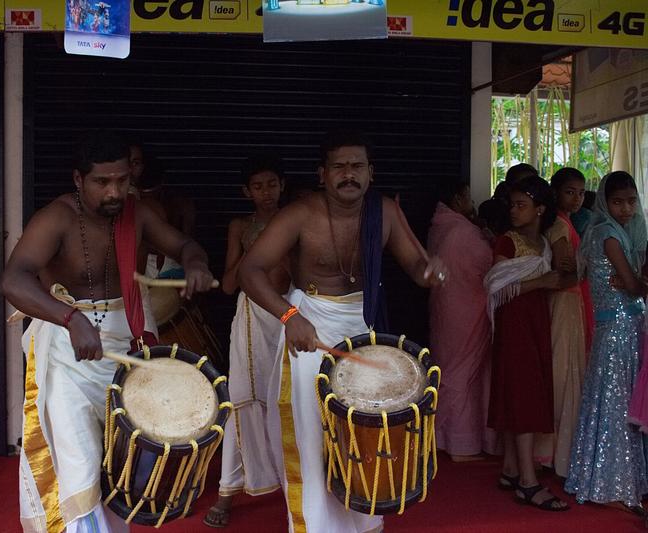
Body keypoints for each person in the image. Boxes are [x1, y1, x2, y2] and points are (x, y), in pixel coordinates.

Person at [0, 131, 215, 533]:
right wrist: (70, 319)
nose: (114, 191)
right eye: (103, 182)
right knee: (80, 464)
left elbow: (186, 245)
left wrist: (196, 263)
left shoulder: (140, 212)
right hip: (69, 355)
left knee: (125, 465)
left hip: (131, 345)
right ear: (79, 180)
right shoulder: (56, 218)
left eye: (121, 180)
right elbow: (13, 280)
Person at [239, 130, 447, 533]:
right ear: (323, 174)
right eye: (339, 167)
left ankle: (364, 524)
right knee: (311, 436)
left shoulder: (384, 212)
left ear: (371, 172)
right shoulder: (299, 213)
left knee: (363, 431)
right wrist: (288, 316)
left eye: (357, 167)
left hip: (363, 330)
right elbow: (251, 269)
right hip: (309, 329)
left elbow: (418, 270)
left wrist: (433, 271)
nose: (348, 175)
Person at [204, 155, 289, 528]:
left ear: (282, 186)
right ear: (246, 192)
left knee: (289, 402)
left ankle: (297, 487)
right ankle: (227, 492)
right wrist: (253, 253)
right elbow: (227, 284)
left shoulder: (296, 220)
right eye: (258, 186)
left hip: (290, 317)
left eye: (271, 184)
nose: (266, 193)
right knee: (241, 400)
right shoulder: (241, 226)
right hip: (252, 321)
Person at [565, 171, 648, 515]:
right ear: (605, 202)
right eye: (618, 201)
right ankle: (612, 484)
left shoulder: (616, 232)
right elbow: (632, 285)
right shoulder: (609, 236)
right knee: (618, 408)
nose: (626, 208)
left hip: (619, 329)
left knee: (614, 404)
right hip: (618, 331)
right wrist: (639, 282)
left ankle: (606, 478)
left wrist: (635, 281)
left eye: (631, 201)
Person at [484, 175, 567, 511]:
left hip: (533, 324)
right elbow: (496, 288)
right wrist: (541, 281)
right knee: (523, 396)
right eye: (513, 205)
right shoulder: (507, 241)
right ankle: (528, 483)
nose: (515, 211)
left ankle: (510, 469)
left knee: (521, 393)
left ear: (540, 209)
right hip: (515, 327)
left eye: (522, 205)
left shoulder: (544, 244)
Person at [427, 182, 494, 462]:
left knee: (447, 369)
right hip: (467, 307)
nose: (471, 200)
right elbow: (488, 266)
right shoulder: (464, 231)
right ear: (457, 198)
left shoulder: (438, 227)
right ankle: (462, 445)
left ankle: (442, 438)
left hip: (445, 308)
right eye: (467, 195)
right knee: (463, 373)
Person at [535, 167, 593, 478]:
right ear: (556, 192)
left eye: (582, 192)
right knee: (564, 371)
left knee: (567, 370)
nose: (578, 198)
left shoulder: (563, 221)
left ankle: (557, 451)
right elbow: (564, 270)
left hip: (570, 301)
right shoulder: (558, 224)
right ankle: (556, 453)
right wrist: (589, 268)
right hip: (565, 301)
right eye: (571, 191)